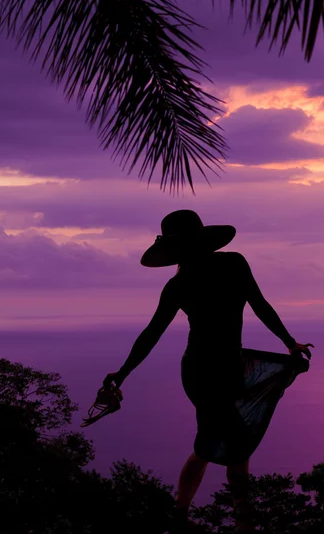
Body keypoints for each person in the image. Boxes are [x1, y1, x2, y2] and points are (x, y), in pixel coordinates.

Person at [103, 210, 313, 533]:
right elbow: (151, 335)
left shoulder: (199, 277)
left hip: (228, 367)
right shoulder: (203, 276)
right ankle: (239, 521)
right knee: (228, 443)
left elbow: (260, 304)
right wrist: (122, 373)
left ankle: (181, 514)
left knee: (214, 443)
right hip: (203, 374)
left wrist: (289, 341)